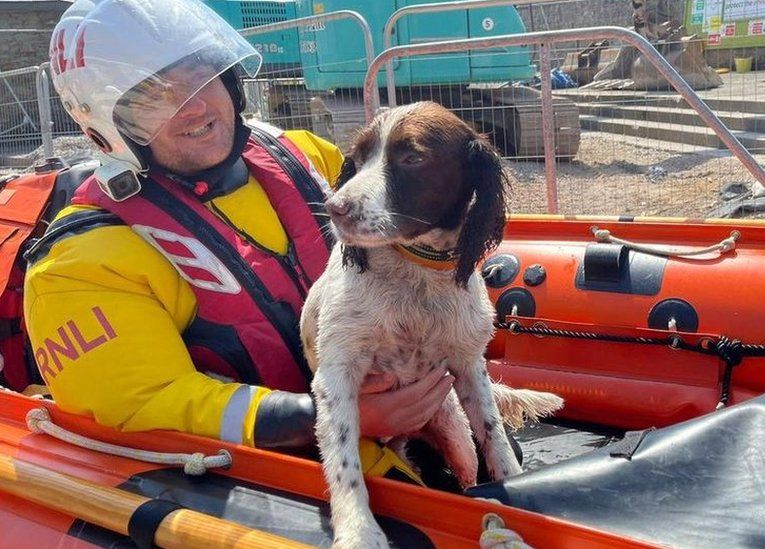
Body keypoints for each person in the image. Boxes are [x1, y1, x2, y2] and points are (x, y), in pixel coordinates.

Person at [23, 0, 453, 477]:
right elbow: (144, 402)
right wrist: (336, 416)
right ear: (108, 128)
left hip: (413, 413)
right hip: (282, 472)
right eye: (152, 99)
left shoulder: (305, 158)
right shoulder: (82, 264)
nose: (195, 108)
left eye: (200, 77)